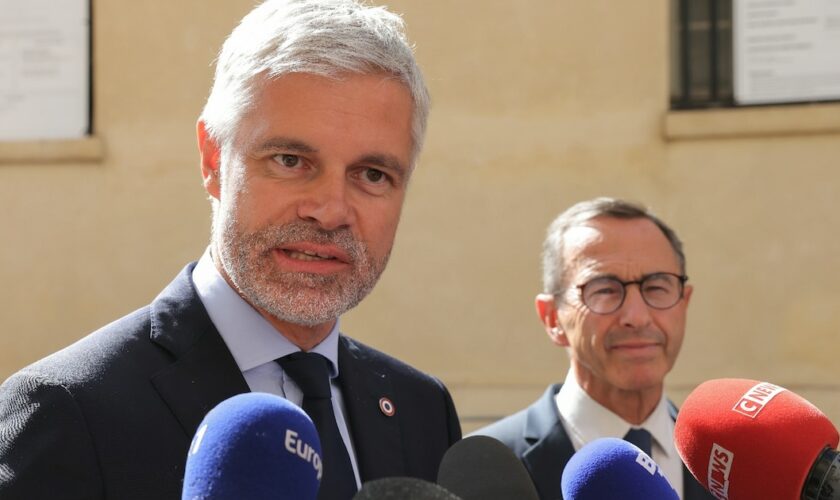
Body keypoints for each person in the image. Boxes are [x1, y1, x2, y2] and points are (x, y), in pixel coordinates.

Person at [0, 1, 460, 499]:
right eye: (291, 160)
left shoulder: (421, 409)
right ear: (213, 159)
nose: (330, 210)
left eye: (373, 174)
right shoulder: (69, 409)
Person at [474, 198, 713, 500]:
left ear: (684, 302)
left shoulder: (730, 465)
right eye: (604, 291)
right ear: (552, 318)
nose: (637, 317)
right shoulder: (488, 473)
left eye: (657, 287)